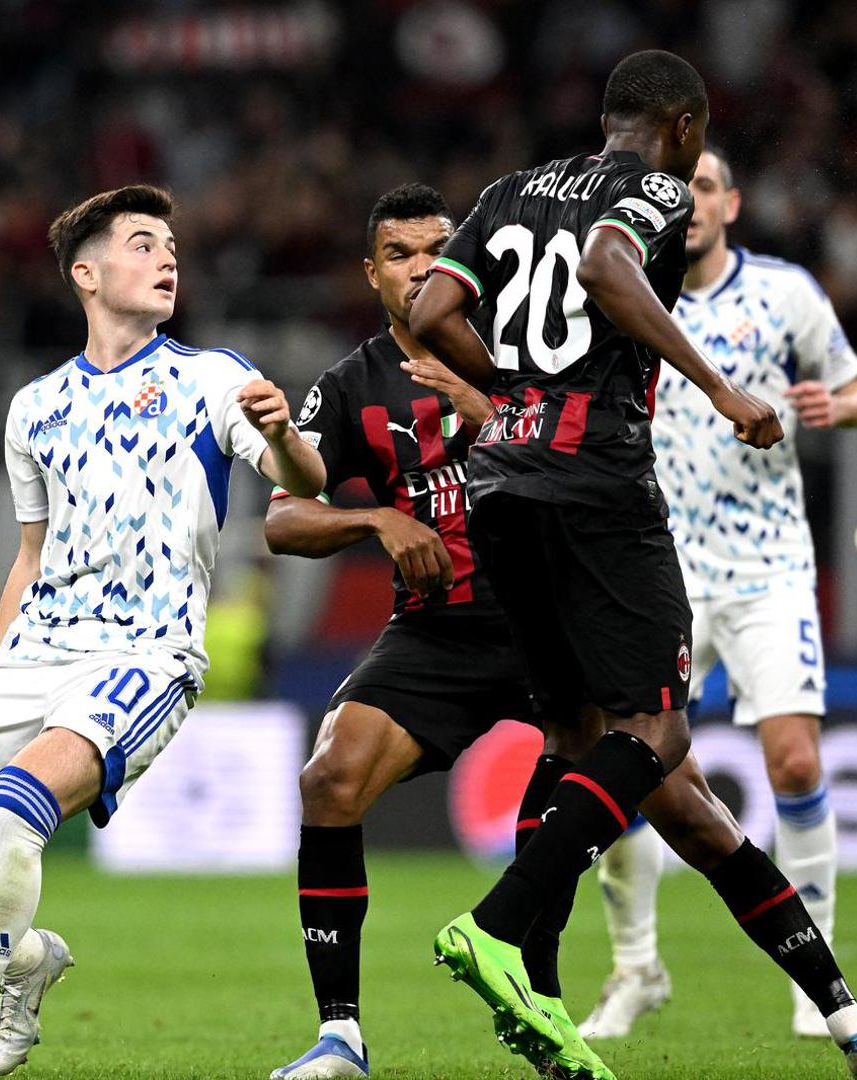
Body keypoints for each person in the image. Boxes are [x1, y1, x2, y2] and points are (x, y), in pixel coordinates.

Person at [410, 50, 857, 1080]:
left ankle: (825, 1024)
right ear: (682, 129)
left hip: (500, 482)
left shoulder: (510, 190)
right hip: (598, 486)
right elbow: (604, 264)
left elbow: (428, 314)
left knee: (596, 753)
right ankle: (503, 930)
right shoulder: (651, 189)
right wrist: (724, 390)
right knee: (659, 730)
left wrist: (515, 386)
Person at [0, 184, 326, 1080]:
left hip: (144, 655)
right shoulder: (33, 408)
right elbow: (29, 557)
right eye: (144, 244)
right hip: (35, 650)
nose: (167, 260)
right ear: (86, 272)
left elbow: (300, 479)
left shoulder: (212, 378)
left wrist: (289, 436)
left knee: (13, 813)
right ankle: (28, 959)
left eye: (172, 249)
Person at [582, 146, 857, 1041]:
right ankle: (636, 970)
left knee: (793, 760)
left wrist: (844, 408)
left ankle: (811, 966)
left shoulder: (786, 291)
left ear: (733, 204)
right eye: (683, 189)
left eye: (707, 187)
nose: (694, 201)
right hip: (658, 567)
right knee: (625, 768)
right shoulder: (627, 288)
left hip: (767, 566)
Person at [263, 183, 537, 1080]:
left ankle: (840, 1010)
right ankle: (339, 1035)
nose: (422, 268)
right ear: (372, 273)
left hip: (552, 616)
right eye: (401, 254)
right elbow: (283, 520)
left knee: (676, 796)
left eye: (437, 250)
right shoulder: (350, 384)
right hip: (437, 630)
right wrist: (376, 521)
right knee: (330, 778)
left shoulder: (529, 348)